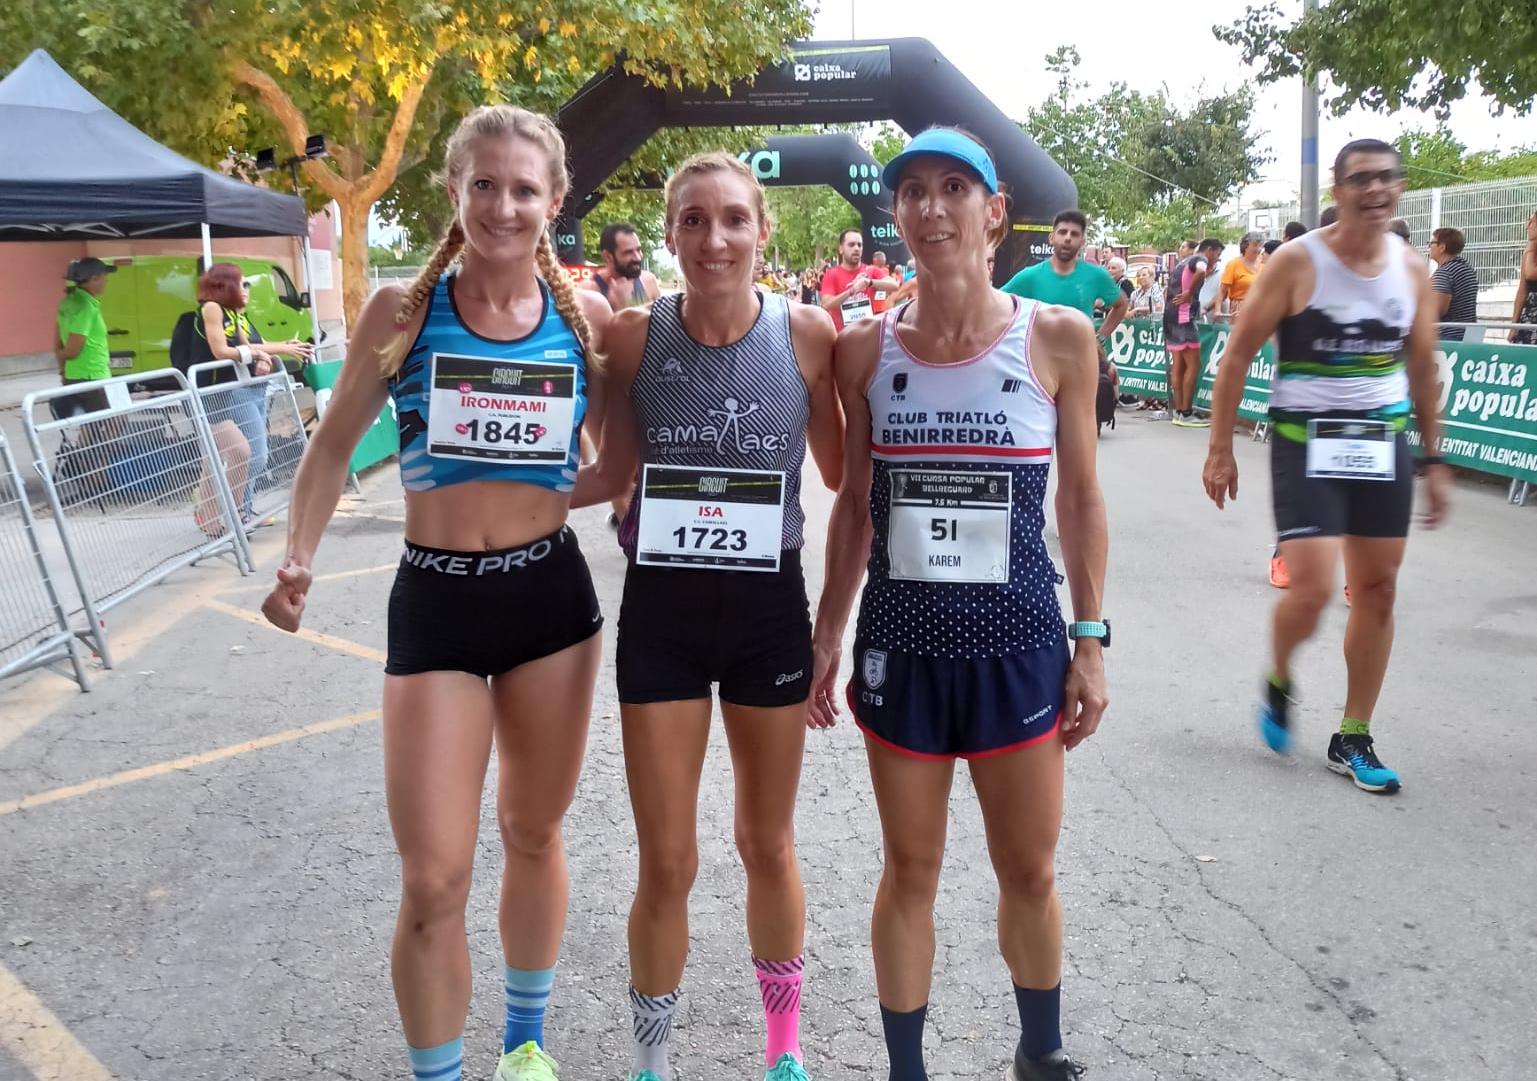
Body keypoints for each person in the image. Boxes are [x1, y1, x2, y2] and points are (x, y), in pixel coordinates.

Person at [261, 105, 613, 1081]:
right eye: (485, 184)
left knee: (534, 833)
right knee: (432, 878)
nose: (504, 204)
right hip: (436, 602)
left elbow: (602, 467)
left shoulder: (584, 323)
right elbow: (330, 453)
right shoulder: (402, 313)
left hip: (549, 604)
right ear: (455, 192)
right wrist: (299, 557)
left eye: (524, 188)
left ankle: (524, 1045)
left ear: (554, 200)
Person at [809, 126, 1109, 1081]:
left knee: (1028, 870)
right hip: (903, 646)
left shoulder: (1055, 337)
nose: (930, 208)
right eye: (911, 193)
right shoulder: (866, 351)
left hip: (1020, 643)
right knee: (910, 871)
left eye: (952, 188)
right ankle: (906, 1069)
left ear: (994, 212)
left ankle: (1040, 1048)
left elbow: (1079, 499)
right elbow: (853, 502)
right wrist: (827, 632)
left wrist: (1090, 639)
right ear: (894, 214)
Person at [574, 151, 842, 1081]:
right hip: (664, 612)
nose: (714, 237)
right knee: (668, 858)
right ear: (669, 232)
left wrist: (835, 627)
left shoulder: (808, 334)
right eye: (693, 219)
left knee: (766, 842)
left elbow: (850, 475)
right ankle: (652, 1062)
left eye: (733, 218)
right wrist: (478, 486)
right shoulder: (636, 337)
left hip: (769, 606)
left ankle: (782, 1050)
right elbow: (609, 471)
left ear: (763, 229)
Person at [1201, 138, 1451, 795]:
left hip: (1380, 444)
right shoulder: (1295, 261)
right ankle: (1280, 674)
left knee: (1377, 590)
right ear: (1336, 190)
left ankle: (1353, 734)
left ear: (1399, 188)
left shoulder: (1411, 269)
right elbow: (1236, 356)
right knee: (1309, 589)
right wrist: (1219, 447)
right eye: (1360, 179)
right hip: (1303, 443)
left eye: (1386, 179)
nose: (1375, 190)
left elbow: (1421, 368)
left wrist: (1432, 455)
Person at [188, 263, 313, 533]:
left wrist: (274, 350)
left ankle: (215, 521)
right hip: (206, 393)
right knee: (241, 452)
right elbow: (221, 350)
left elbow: (246, 346)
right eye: (242, 284)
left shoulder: (231, 314)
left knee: (218, 457)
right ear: (225, 285)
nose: (246, 290)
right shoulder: (212, 308)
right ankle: (233, 516)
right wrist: (256, 355)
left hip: (220, 392)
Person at [1001, 211, 1128, 343]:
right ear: (1051, 238)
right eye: (1062, 232)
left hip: (1081, 357)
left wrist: (1100, 338)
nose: (1068, 238)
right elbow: (996, 303)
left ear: (1082, 242)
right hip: (1040, 358)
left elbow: (1121, 305)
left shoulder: (1097, 275)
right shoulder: (1030, 276)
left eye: (1074, 234)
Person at [1164, 238, 1224, 427]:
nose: (1217, 259)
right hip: (1184, 316)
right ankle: (1186, 411)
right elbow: (1200, 271)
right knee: (1194, 364)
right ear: (1210, 250)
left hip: (1170, 316)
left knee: (1178, 366)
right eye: (1218, 254)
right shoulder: (1200, 260)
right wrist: (1190, 293)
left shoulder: (1182, 263)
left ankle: (1179, 411)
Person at [54, 258, 116, 414]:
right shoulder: (86, 306)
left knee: (89, 422)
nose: (106, 281)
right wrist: (63, 356)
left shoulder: (68, 301)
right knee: (117, 416)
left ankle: (87, 440)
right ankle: (103, 440)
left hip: (74, 374)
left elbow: (58, 341)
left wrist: (63, 370)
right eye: (104, 277)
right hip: (92, 375)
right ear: (94, 279)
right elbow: (73, 349)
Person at [820, 229, 900, 331]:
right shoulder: (831, 274)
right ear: (841, 249)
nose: (856, 248)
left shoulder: (871, 270)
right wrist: (851, 291)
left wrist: (869, 282)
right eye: (851, 245)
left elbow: (895, 286)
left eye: (859, 245)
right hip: (842, 337)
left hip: (867, 335)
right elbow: (826, 305)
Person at [582, 222, 661, 310]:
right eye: (628, 252)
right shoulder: (587, 291)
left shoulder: (648, 281)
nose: (637, 257)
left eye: (638, 250)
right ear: (608, 256)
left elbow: (660, 322)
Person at [1428, 227, 1479, 341]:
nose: (1429, 246)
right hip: (1468, 334)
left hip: (1448, 337)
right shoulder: (1467, 269)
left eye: (1431, 243)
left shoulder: (1445, 272)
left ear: (1442, 247)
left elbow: (1437, 310)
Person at [1210, 232, 1263, 320]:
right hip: (1240, 309)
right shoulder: (1234, 264)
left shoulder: (1263, 264)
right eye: (1255, 245)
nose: (1258, 249)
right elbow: (1222, 290)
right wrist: (1217, 310)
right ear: (1245, 246)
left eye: (1260, 245)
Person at [1509, 212, 1537, 344]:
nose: (1528, 226)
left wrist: (1531, 245)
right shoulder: (1529, 252)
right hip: (1529, 317)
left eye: (1532, 222)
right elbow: (1522, 290)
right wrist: (1514, 325)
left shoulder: (1530, 250)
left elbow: (1531, 273)